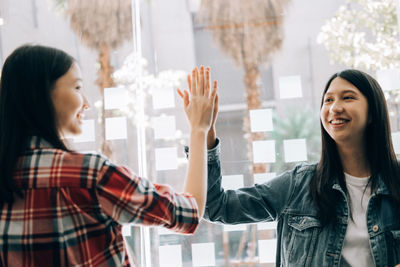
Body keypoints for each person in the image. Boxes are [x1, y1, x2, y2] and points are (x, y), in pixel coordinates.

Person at [0, 44, 217, 266]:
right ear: (42, 94)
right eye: (77, 88)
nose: (86, 103)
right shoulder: (90, 174)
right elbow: (189, 212)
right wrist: (199, 129)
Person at [194, 69, 400, 266]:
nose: (334, 108)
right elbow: (216, 206)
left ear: (373, 112)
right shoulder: (299, 184)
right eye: (328, 100)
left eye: (347, 97)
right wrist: (205, 134)